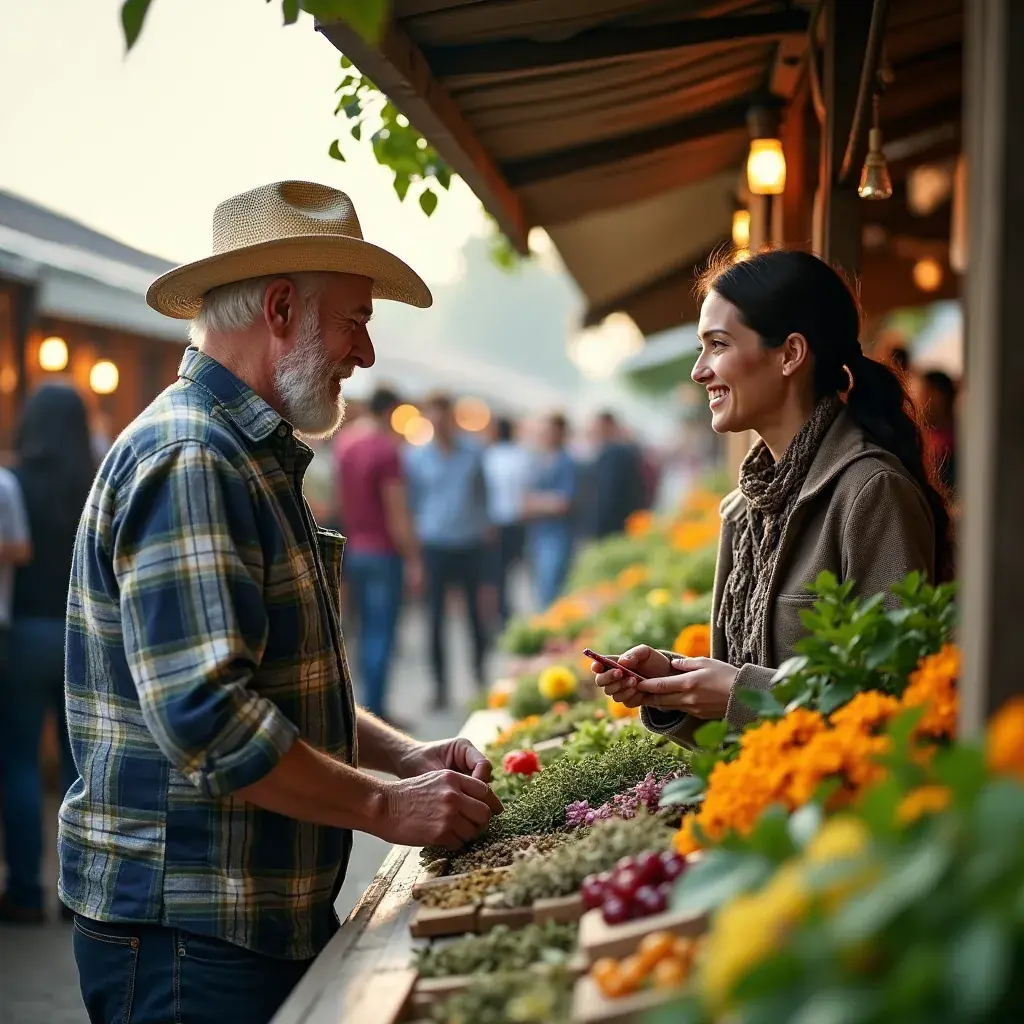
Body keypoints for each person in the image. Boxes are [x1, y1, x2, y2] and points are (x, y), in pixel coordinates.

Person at [59, 181, 501, 1024]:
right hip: (189, 936)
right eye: (356, 320)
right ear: (282, 307)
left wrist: (405, 757)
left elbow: (269, 683)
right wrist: (385, 806)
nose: (365, 355)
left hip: (230, 925)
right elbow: (211, 720)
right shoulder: (195, 454)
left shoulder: (245, 448)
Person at [593, 249, 951, 746]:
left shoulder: (872, 491)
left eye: (717, 345)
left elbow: (897, 696)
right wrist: (672, 685)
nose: (699, 370)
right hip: (761, 801)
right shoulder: (745, 508)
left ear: (790, 354)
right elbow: (738, 730)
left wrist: (738, 691)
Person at [0, 384, 93, 925]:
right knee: (82, 769)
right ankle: (77, 892)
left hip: (26, 634)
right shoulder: (97, 480)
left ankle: (24, 891)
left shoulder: (13, 483)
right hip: (83, 638)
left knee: (19, 765)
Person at [334, 385, 422, 722]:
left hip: (354, 546)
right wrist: (414, 558)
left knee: (356, 631)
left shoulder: (346, 442)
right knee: (380, 633)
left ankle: (358, 710)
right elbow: (397, 512)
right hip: (384, 551)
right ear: (390, 411)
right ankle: (376, 711)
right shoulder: (386, 449)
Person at [404, 392, 490, 709]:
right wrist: (414, 558)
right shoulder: (415, 458)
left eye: (443, 414)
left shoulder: (474, 453)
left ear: (452, 416)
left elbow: (484, 495)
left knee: (474, 615)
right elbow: (411, 506)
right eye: (433, 415)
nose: (438, 421)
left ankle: (479, 673)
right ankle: (440, 686)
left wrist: (485, 529)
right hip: (434, 545)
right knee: (435, 618)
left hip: (469, 543)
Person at [522, 412, 578, 608]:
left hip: (556, 536)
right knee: (540, 589)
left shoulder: (566, 462)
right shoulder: (540, 460)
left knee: (550, 590)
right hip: (539, 534)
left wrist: (536, 502)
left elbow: (563, 503)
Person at [482, 416, 530, 625]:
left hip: (495, 521)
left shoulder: (489, 457)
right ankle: (505, 610)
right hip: (516, 521)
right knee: (512, 569)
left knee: (498, 571)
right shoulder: (521, 457)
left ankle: (502, 612)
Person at [583, 411, 646, 538]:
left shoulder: (614, 454)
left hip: (611, 526)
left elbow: (607, 496)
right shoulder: (623, 452)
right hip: (622, 523)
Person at [917, 370, 957, 495]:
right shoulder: (926, 437)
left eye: (922, 394)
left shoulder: (950, 445)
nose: (918, 401)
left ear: (938, 397)